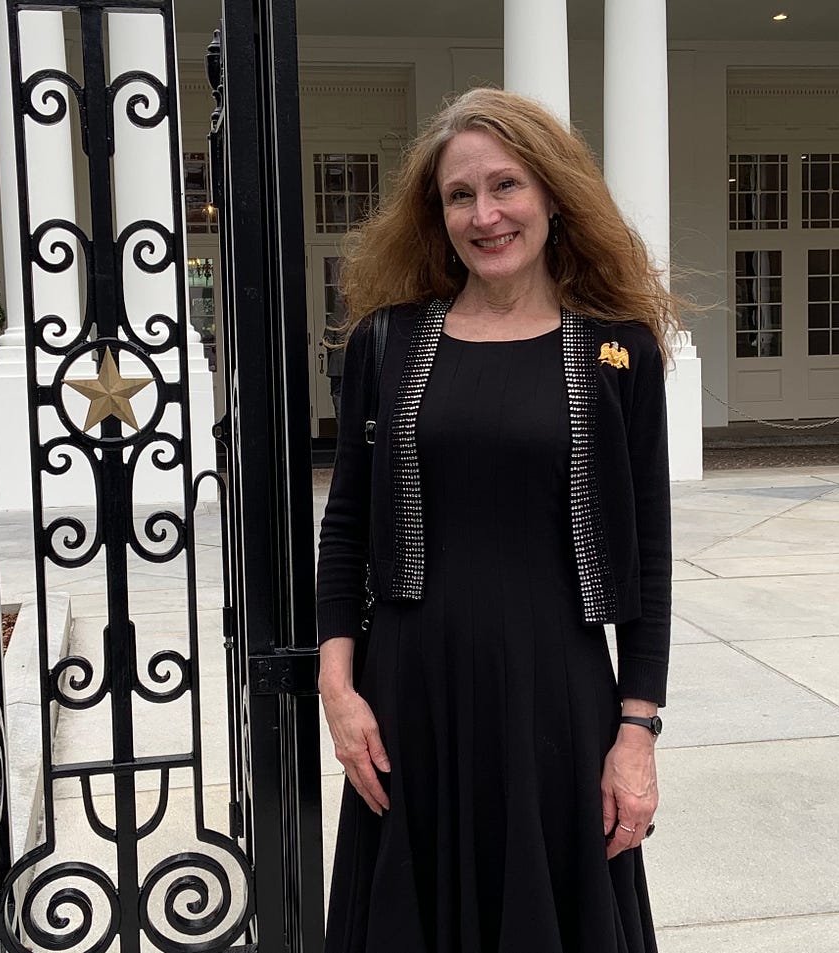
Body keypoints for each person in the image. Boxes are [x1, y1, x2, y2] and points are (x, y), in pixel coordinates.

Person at [316, 86, 677, 953]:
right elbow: (348, 525)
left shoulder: (616, 347)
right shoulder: (387, 342)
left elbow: (652, 558)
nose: (486, 214)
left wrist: (637, 734)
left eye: (506, 186)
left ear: (553, 193)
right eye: (460, 195)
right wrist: (339, 690)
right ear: (435, 213)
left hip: (556, 702)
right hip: (410, 698)